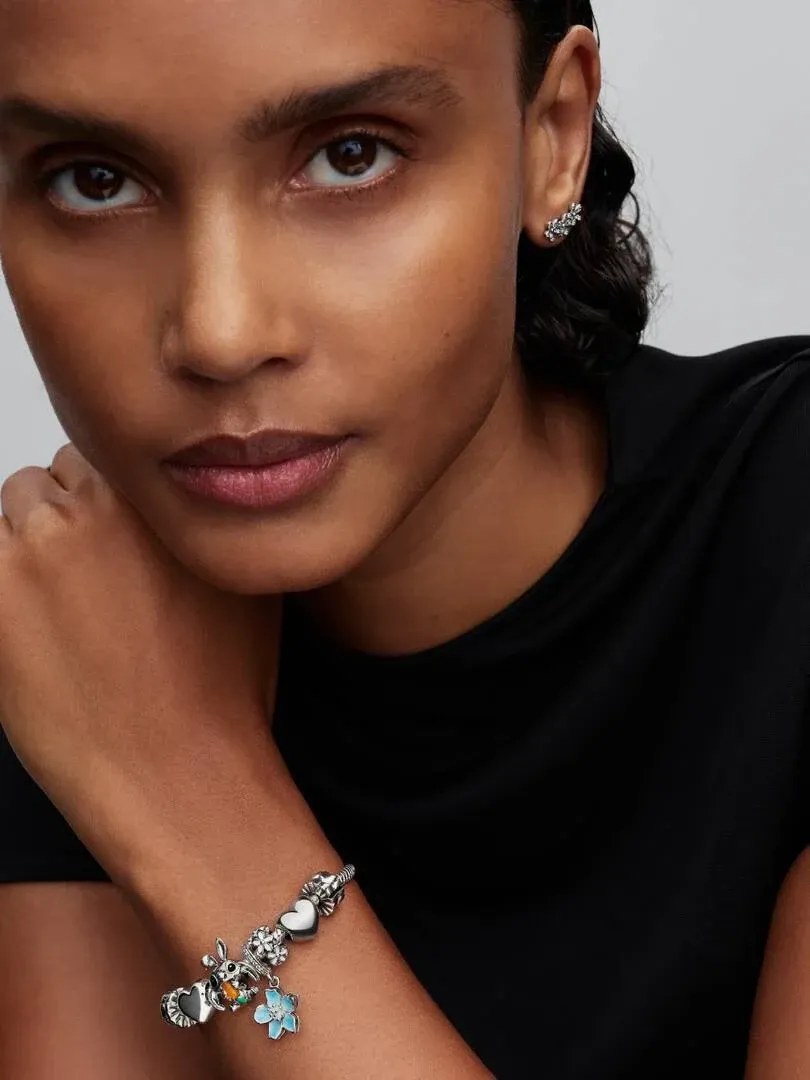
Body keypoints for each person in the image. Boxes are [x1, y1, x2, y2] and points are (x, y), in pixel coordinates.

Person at [0, 0, 807, 1077]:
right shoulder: (64, 617)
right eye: (91, 179)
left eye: (349, 156)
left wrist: (184, 793)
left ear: (552, 137)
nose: (222, 331)